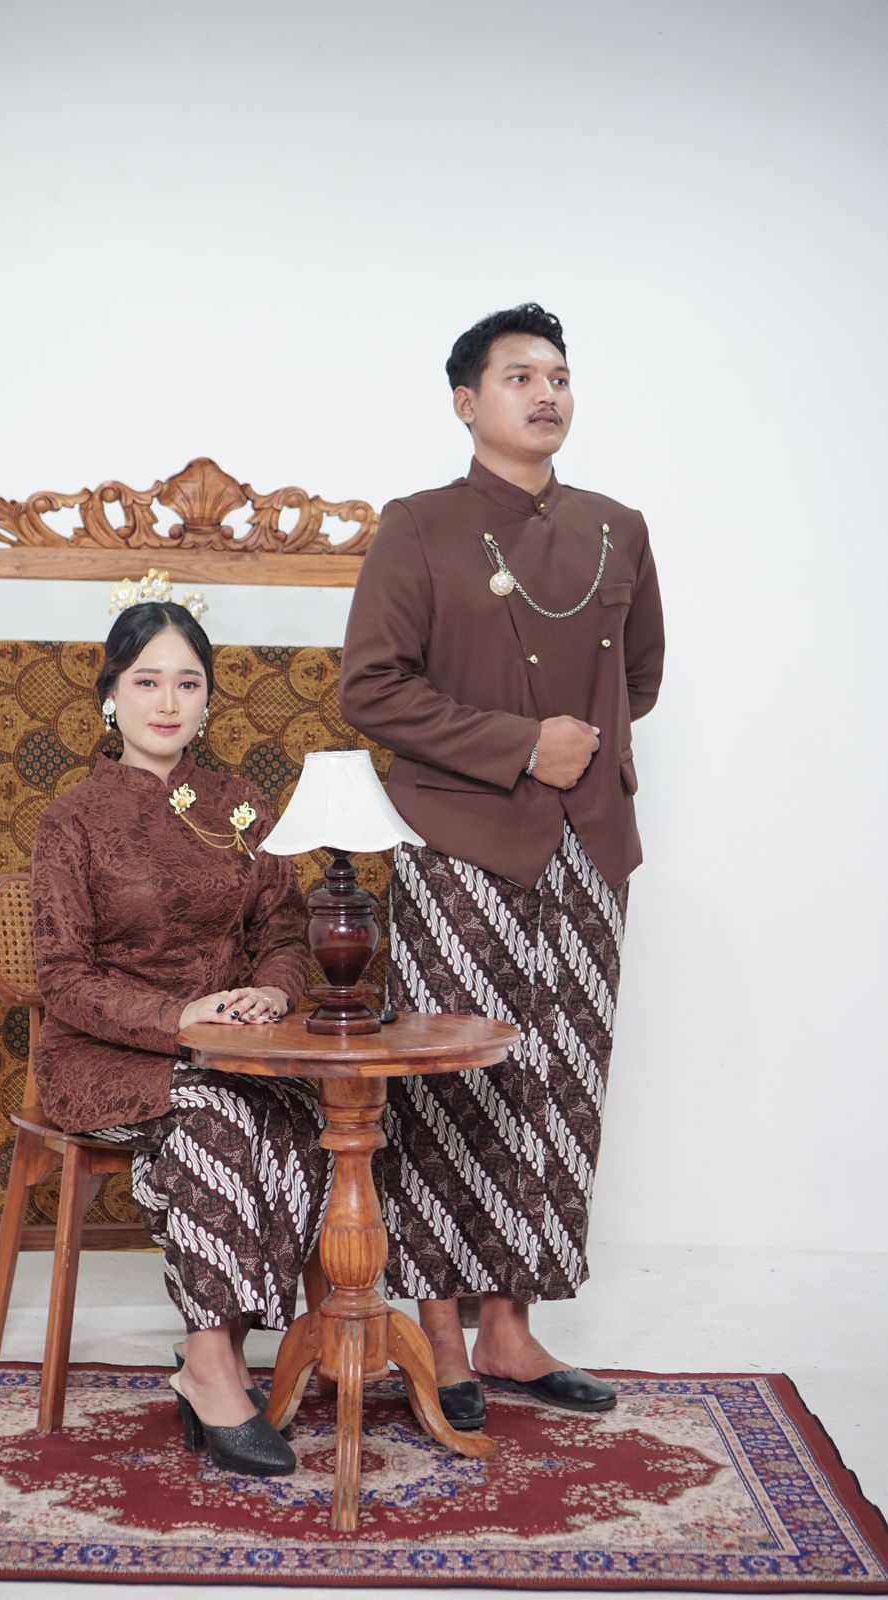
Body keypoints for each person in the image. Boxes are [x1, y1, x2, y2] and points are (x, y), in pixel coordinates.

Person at [339, 303, 664, 1430]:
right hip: (461, 843)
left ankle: (511, 1329)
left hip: (589, 844)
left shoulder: (618, 528)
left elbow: (641, 677)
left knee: (560, 1083)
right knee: (453, 1083)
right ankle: (439, 1332)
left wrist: (579, 761)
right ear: (465, 402)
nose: (547, 393)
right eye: (520, 375)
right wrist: (521, 744)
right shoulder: (418, 527)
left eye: (559, 376)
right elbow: (371, 688)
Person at [31, 593, 329, 1476]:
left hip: (227, 1050)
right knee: (216, 1117)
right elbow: (61, 977)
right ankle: (211, 1366)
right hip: (101, 1057)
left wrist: (270, 993)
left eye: (188, 683)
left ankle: (220, 1351)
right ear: (110, 695)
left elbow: (285, 932)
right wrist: (177, 1017)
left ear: (208, 698)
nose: (168, 702)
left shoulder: (242, 806)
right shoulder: (73, 818)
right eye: (146, 680)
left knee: (301, 1114)